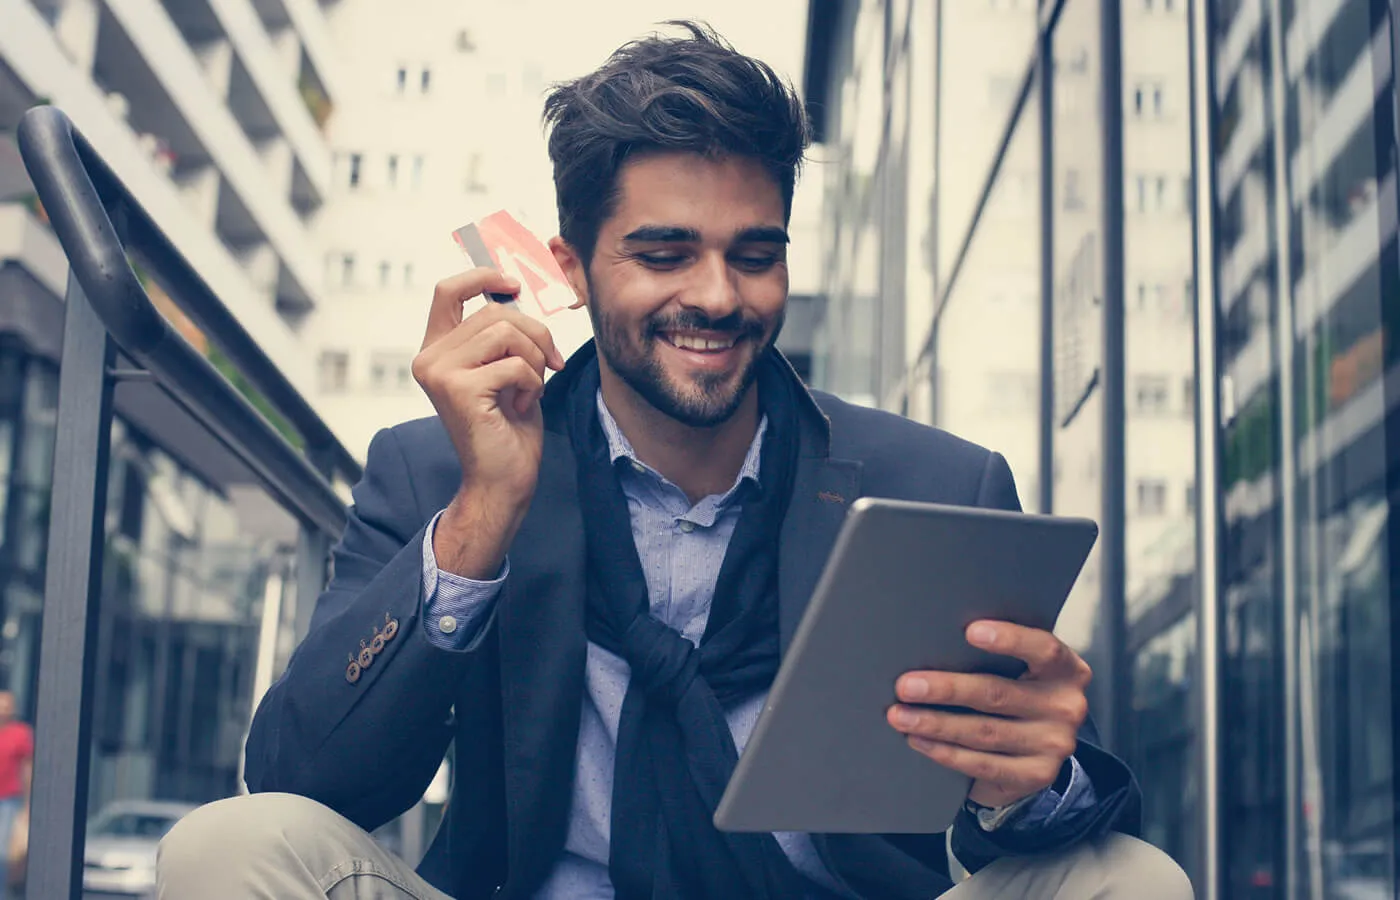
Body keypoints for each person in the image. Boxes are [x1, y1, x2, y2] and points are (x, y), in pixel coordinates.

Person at [157, 22, 1192, 900]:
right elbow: (300, 777)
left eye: (754, 252)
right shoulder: (438, 473)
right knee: (226, 847)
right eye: (662, 254)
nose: (717, 295)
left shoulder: (935, 482)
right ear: (566, 269)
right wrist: (481, 522)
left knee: (1133, 879)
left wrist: (1024, 782)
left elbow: (1038, 799)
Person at [0, 692, 31, 895]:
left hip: (9, 799)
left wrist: (28, 805)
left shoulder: (20, 733)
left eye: (6, 705)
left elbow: (27, 768)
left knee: (3, 852)